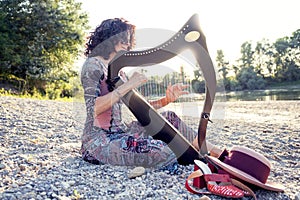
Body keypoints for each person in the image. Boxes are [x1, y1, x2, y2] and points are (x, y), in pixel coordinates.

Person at [80, 18, 222, 170]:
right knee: (165, 150)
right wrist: (128, 85)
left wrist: (167, 99)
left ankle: (219, 154)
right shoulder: (92, 65)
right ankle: (204, 163)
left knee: (169, 117)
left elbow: (142, 108)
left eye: (129, 41)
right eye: (123, 40)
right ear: (110, 37)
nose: (128, 45)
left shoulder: (118, 71)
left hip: (120, 132)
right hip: (98, 142)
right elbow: (93, 109)